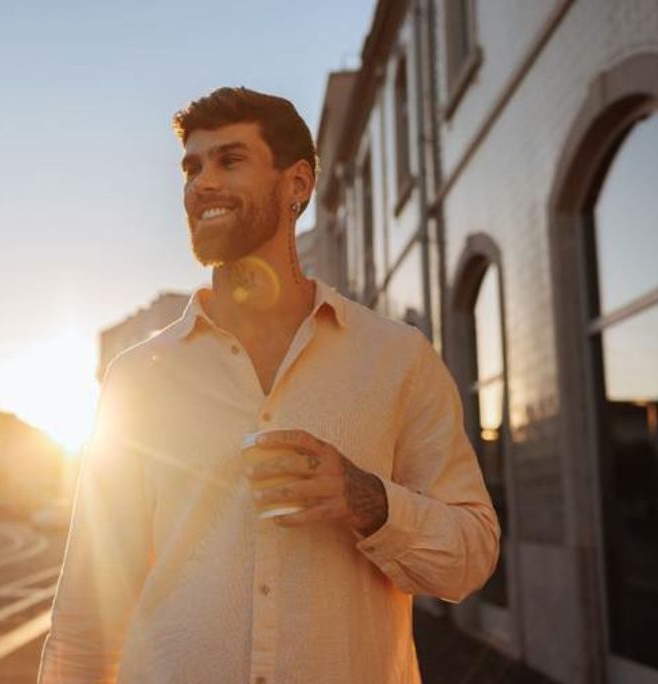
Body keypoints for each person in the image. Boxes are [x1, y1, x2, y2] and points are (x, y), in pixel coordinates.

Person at [39, 87, 500, 683]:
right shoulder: (137, 378)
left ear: (297, 185)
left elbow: (471, 558)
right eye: (192, 167)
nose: (202, 183)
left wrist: (365, 499)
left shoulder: (396, 359)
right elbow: (86, 616)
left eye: (229, 161)